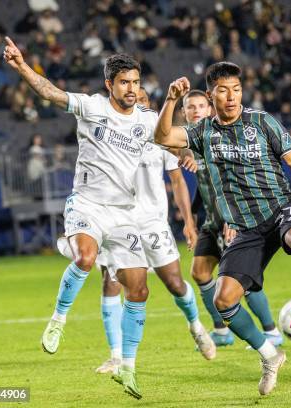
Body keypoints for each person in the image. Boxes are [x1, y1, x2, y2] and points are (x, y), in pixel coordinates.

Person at [154, 62, 291, 396]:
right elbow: (162, 136)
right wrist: (171, 101)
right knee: (224, 300)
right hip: (245, 228)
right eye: (224, 90)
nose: (231, 97)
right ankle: (270, 355)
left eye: (237, 89)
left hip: (280, 210)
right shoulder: (202, 134)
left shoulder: (262, 121)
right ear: (211, 94)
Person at [4, 36, 158, 399]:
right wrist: (23, 66)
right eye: (124, 82)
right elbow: (50, 92)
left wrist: (187, 153)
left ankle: (127, 368)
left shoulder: (146, 122)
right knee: (86, 258)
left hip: (123, 214)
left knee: (139, 288)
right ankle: (58, 320)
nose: (131, 88)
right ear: (110, 85)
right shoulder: (92, 107)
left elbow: (171, 137)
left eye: (135, 82)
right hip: (87, 205)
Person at [88, 87, 215, 374]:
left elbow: (178, 181)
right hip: (118, 223)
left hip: (153, 223)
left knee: (175, 284)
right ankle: (116, 356)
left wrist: (188, 222)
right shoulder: (109, 137)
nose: (138, 105)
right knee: (111, 283)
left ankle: (195, 325)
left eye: (144, 101)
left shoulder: (161, 137)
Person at [183, 90, 283, 349]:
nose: (196, 111)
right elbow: (202, 186)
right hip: (211, 221)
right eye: (190, 107)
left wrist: (233, 219)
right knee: (200, 271)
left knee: (242, 280)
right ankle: (221, 330)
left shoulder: (219, 137)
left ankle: (271, 331)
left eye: (201, 106)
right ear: (184, 113)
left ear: (210, 110)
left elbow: (231, 181)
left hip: (236, 219)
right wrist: (191, 219)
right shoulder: (189, 141)